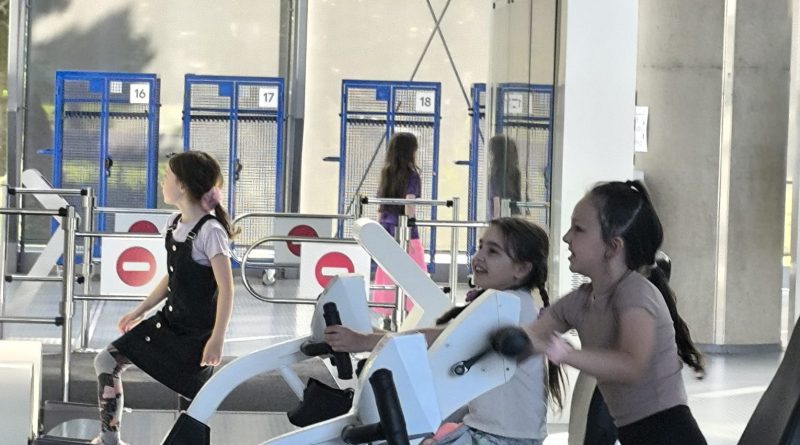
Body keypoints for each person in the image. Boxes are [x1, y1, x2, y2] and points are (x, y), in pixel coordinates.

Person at [326, 217, 563, 445]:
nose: (479, 257)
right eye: (480, 247)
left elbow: (441, 338)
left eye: (493, 251)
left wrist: (364, 341)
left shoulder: (509, 305)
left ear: (521, 269)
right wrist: (375, 337)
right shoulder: (510, 302)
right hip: (495, 432)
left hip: (500, 438)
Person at [517, 180, 706, 445]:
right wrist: (507, 339)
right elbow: (530, 337)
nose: (567, 237)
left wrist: (565, 353)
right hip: (633, 435)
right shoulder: (579, 301)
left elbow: (631, 365)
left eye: (579, 229)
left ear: (613, 246)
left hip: (671, 436)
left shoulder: (635, 292)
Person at [91, 151, 237, 445]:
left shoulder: (211, 231)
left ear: (182, 185)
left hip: (196, 335)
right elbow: (173, 276)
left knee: (192, 400)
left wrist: (217, 338)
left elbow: (227, 289)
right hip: (167, 323)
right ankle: (109, 440)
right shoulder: (173, 223)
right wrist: (140, 310)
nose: (162, 182)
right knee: (106, 360)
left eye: (167, 176)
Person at [372, 132, 427, 324]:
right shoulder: (412, 175)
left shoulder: (387, 173)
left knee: (387, 271)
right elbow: (409, 202)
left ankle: (387, 314)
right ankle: (410, 311)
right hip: (404, 227)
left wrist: (378, 227)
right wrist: (410, 223)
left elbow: (381, 204)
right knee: (414, 269)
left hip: (386, 226)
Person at [488, 134, 522, 219]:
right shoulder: (514, 172)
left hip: (502, 219)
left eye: (491, 152)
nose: (490, 155)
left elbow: (496, 199)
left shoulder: (497, 173)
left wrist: (496, 221)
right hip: (513, 217)